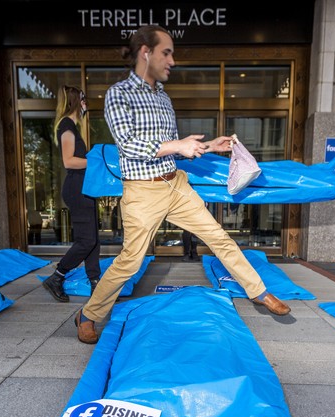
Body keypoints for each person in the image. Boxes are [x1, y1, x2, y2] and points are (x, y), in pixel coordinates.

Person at [74, 25, 290, 344]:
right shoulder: (118, 95)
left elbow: (172, 149)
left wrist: (210, 146)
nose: (172, 60)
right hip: (142, 191)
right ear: (146, 53)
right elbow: (129, 144)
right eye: (167, 52)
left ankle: (259, 292)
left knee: (219, 237)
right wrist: (177, 145)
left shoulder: (162, 96)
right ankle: (88, 315)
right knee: (130, 261)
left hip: (175, 185)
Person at [42, 85, 102, 302]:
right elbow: (69, 161)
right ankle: (57, 277)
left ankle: (96, 284)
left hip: (85, 187)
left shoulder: (73, 128)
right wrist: (96, 162)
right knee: (86, 241)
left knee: (93, 239)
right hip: (77, 188)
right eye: (84, 100)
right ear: (76, 101)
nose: (86, 104)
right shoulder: (67, 126)